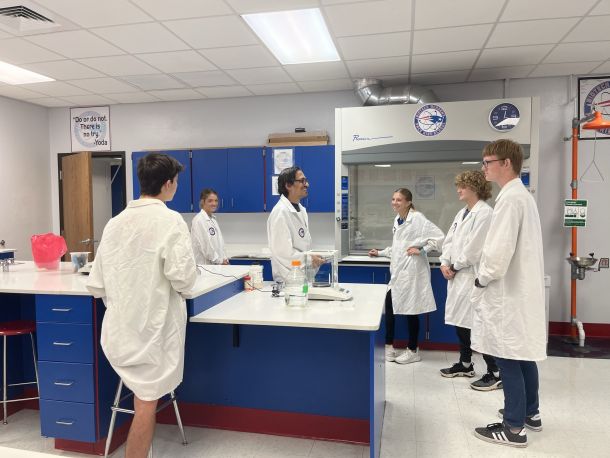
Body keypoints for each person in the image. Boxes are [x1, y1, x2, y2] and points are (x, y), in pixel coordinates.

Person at [86, 153, 198, 458]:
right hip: (153, 333)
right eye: (176, 181)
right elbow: (184, 280)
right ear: (168, 183)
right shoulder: (171, 221)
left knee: (142, 399)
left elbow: (97, 283)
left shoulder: (115, 223)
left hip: (120, 333)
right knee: (146, 403)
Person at [471, 139, 546, 448]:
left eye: (488, 162)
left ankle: (513, 428)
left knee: (507, 357)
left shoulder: (510, 199)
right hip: (520, 291)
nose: (484, 167)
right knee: (522, 353)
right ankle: (530, 412)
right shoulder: (520, 196)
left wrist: (481, 279)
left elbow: (498, 253)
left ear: (506, 163)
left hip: (508, 293)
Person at [438, 171, 501, 390]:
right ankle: (465, 364)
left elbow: (474, 248)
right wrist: (444, 262)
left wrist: (454, 266)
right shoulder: (462, 212)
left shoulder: (485, 213)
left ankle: (496, 372)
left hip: (471, 275)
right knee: (461, 322)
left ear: (475, 188)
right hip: (457, 275)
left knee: (478, 325)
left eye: (462, 186)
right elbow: (449, 240)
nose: (458, 190)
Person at [369, 188, 444, 364]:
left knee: (412, 310)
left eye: (399, 200)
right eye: (393, 199)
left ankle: (412, 350)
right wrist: (381, 252)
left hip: (412, 271)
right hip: (399, 271)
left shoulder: (417, 218)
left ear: (408, 202)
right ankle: (389, 347)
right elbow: (399, 247)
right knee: (390, 306)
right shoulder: (398, 219)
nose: (395, 203)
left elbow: (439, 237)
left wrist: (422, 250)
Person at [267, 166, 324, 282]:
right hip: (288, 281)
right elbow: (284, 253)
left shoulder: (301, 210)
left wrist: (313, 258)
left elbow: (302, 246)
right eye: (302, 181)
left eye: (306, 180)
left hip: (302, 278)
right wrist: (309, 259)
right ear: (288, 185)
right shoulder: (280, 212)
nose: (307, 184)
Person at [191, 188, 229, 266]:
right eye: (210, 201)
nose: (214, 203)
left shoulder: (213, 220)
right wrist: (220, 261)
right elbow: (206, 247)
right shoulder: (199, 220)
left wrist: (225, 258)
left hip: (216, 266)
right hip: (205, 267)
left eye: (216, 200)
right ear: (202, 202)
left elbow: (221, 244)